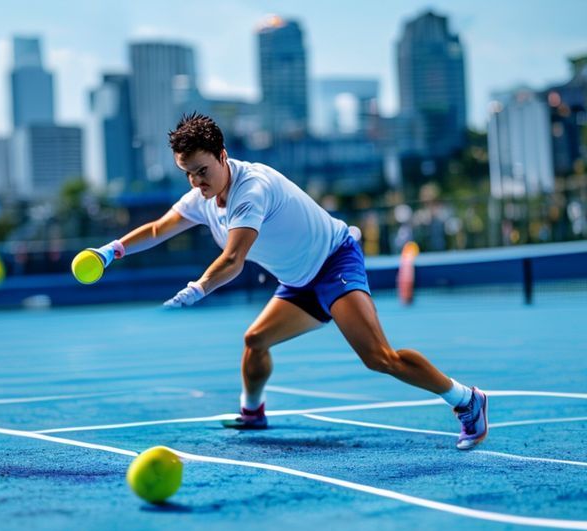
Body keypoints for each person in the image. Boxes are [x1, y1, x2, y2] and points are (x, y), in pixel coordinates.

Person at [85, 113, 488, 450]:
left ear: (223, 156)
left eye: (203, 171)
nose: (197, 183)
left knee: (378, 357)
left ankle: (466, 399)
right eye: (188, 174)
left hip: (334, 261)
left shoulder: (251, 190)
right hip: (298, 280)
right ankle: (253, 411)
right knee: (254, 342)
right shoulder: (204, 197)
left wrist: (194, 291)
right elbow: (157, 229)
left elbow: (233, 259)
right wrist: (110, 251)